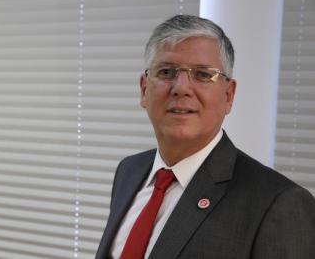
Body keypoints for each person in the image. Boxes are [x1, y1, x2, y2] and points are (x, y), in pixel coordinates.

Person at [95, 14, 315, 259]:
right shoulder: (129, 171)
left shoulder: (278, 204)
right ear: (144, 90)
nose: (181, 88)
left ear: (228, 95)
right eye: (167, 71)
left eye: (202, 74)